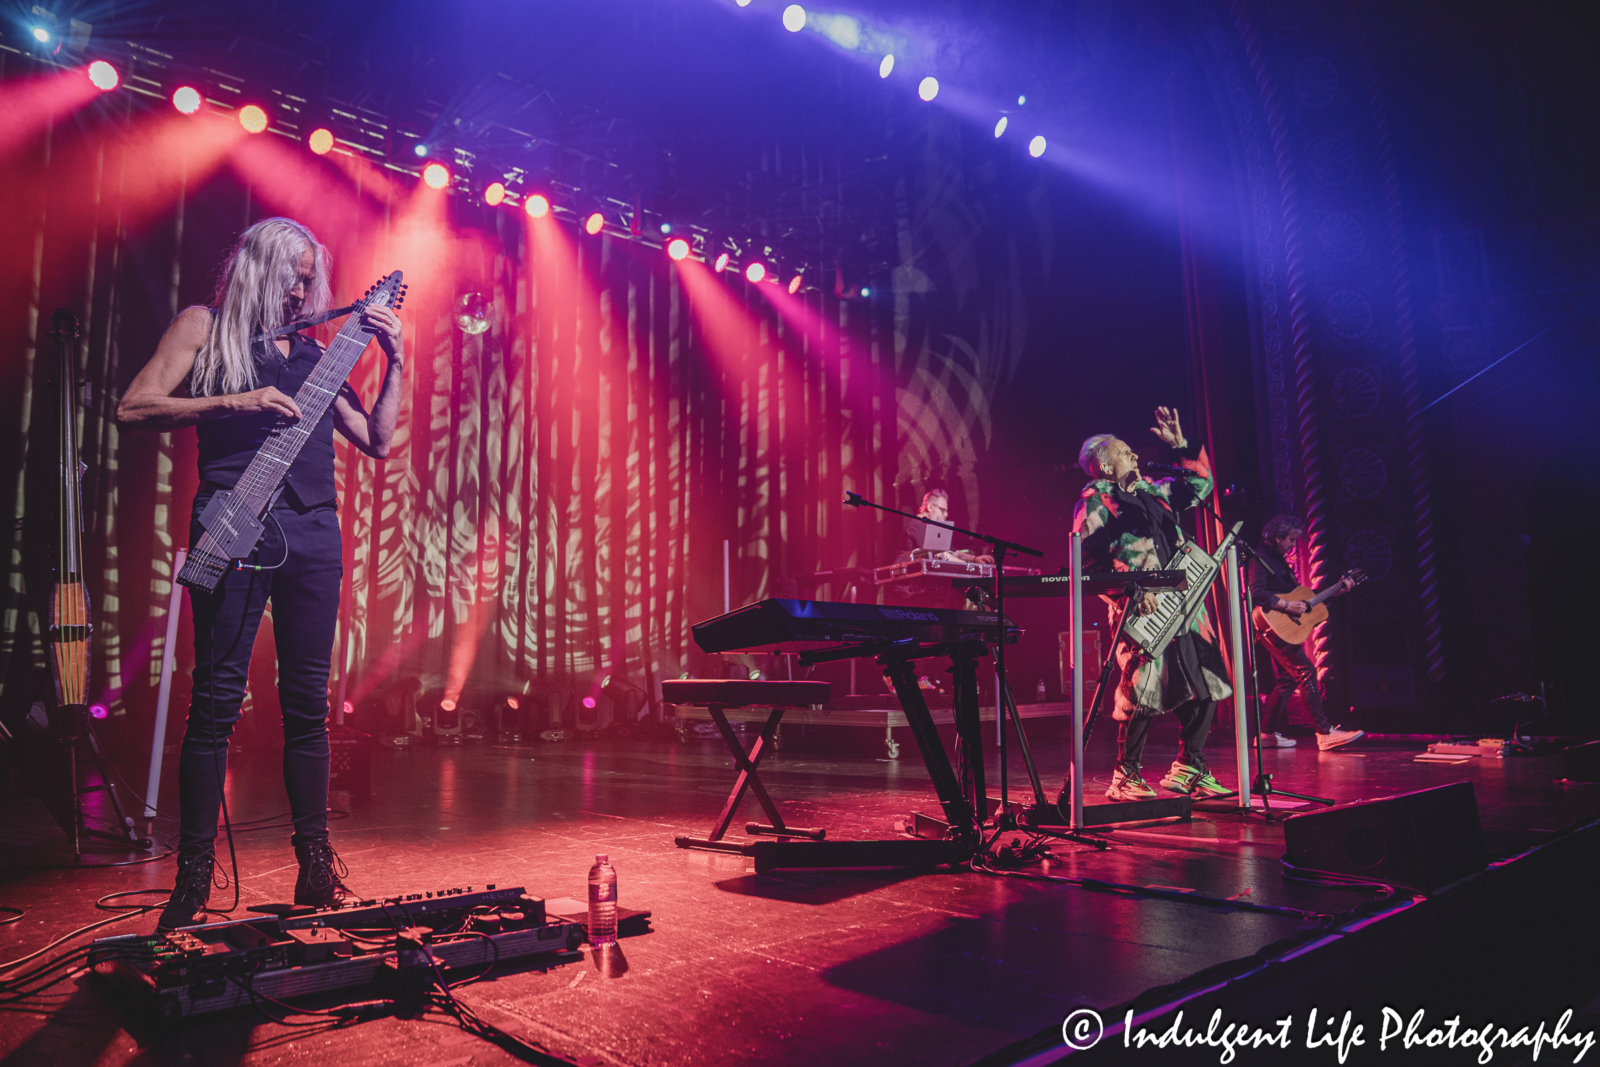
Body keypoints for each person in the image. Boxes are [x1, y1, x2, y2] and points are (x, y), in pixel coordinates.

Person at [118, 218, 404, 931]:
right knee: (214, 701)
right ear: (257, 268)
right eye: (294, 274)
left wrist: (396, 360)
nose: (304, 288)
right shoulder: (203, 328)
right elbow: (132, 406)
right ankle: (191, 874)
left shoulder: (316, 355)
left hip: (313, 531)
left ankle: (314, 863)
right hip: (232, 521)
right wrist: (233, 400)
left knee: (307, 702)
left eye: (312, 277)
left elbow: (377, 439)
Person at [1069, 407, 1237, 803]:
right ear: (1105, 465)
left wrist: (1181, 445)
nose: (1135, 457)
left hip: (1185, 605)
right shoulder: (1096, 502)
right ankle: (1125, 775)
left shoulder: (1153, 492)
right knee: (1142, 690)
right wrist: (1127, 590)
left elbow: (1200, 486)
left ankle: (1189, 768)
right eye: (1126, 452)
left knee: (1206, 682)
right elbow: (1087, 560)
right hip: (1140, 607)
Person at [1248, 515, 1364, 751]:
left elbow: (1303, 598)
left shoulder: (1279, 561)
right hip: (1270, 625)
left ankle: (1267, 734)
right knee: (1306, 672)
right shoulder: (1260, 558)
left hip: (1283, 627)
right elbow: (1256, 592)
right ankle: (1324, 733)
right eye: (1290, 540)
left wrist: (1337, 590)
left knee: (1287, 679)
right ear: (1278, 537)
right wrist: (1286, 606)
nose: (1293, 545)